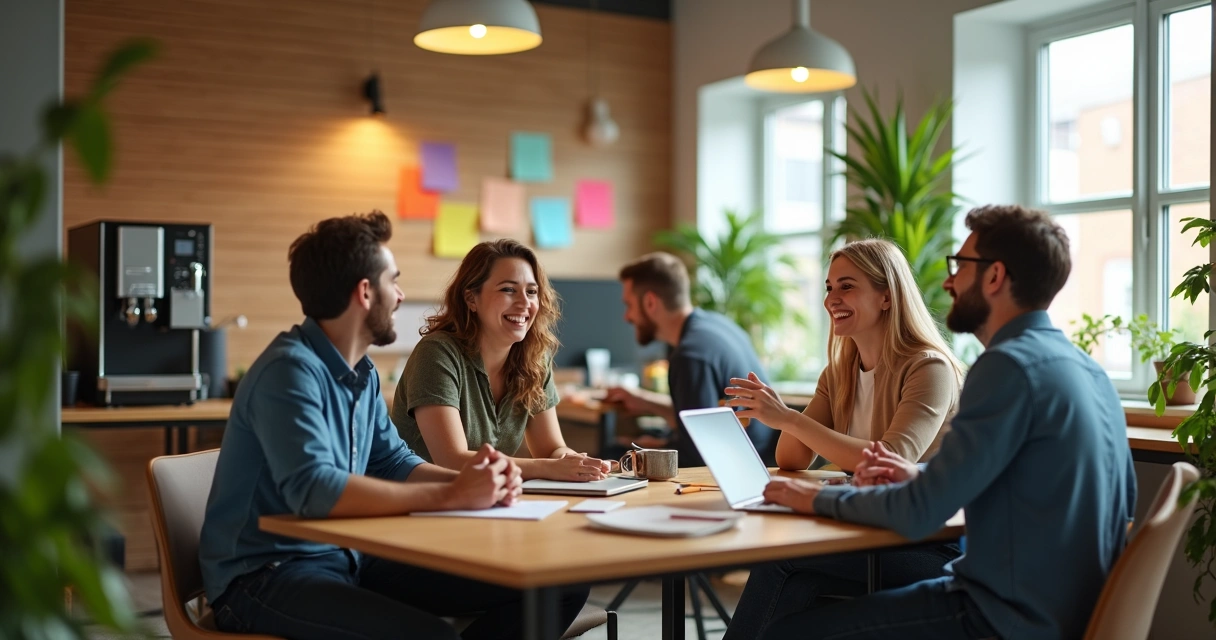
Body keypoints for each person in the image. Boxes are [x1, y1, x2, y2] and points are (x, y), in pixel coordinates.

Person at [199, 212, 588, 640]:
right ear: (365, 292)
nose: (401, 296)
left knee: (557, 585)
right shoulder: (289, 371)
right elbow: (314, 490)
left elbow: (393, 462)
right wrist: (453, 494)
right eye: (394, 281)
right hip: (265, 575)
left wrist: (481, 485)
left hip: (347, 557)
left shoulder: (360, 372)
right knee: (430, 636)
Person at [759, 205, 1137, 640]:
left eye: (960, 266)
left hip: (999, 616)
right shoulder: (1087, 369)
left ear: (995, 276)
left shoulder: (1006, 368)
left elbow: (919, 514)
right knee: (800, 593)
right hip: (1063, 612)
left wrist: (816, 499)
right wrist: (922, 475)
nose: (948, 282)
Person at [721, 238, 965, 639]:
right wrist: (783, 418)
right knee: (793, 578)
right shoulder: (839, 371)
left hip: (926, 543)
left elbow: (892, 458)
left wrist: (788, 417)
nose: (831, 298)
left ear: (887, 297)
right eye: (829, 287)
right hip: (866, 528)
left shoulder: (929, 368)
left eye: (847, 286)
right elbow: (792, 460)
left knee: (782, 562)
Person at [392, 239, 611, 481]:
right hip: (423, 499)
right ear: (471, 299)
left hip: (486, 497)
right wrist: (547, 467)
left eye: (531, 292)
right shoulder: (437, 353)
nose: (524, 303)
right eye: (508, 289)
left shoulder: (535, 358)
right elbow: (452, 460)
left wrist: (579, 463)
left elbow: (551, 449)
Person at [603, 252, 776, 467]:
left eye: (629, 305)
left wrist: (658, 447)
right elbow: (702, 416)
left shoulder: (690, 356)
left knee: (614, 452)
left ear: (650, 302)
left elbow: (697, 455)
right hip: (761, 457)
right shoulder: (718, 326)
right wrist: (644, 401)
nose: (626, 316)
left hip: (738, 467)